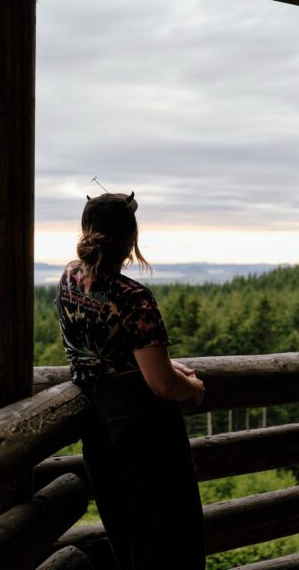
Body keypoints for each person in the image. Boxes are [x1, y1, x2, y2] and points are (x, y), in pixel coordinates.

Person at [55, 191, 206, 570]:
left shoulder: (70, 277)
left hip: (98, 429)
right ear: (130, 240)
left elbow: (136, 363)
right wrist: (192, 386)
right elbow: (161, 385)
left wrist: (171, 371)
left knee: (127, 538)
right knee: (171, 544)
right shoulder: (133, 297)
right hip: (145, 436)